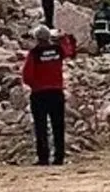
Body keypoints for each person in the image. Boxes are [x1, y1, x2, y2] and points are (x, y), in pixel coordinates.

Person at [22, 26, 76, 166]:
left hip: (39, 94)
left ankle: (43, 158)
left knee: (41, 127)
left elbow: (27, 75)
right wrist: (64, 38)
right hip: (56, 92)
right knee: (58, 125)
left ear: (36, 39)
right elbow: (70, 51)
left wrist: (35, 85)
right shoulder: (57, 50)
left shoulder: (34, 53)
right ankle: (59, 157)